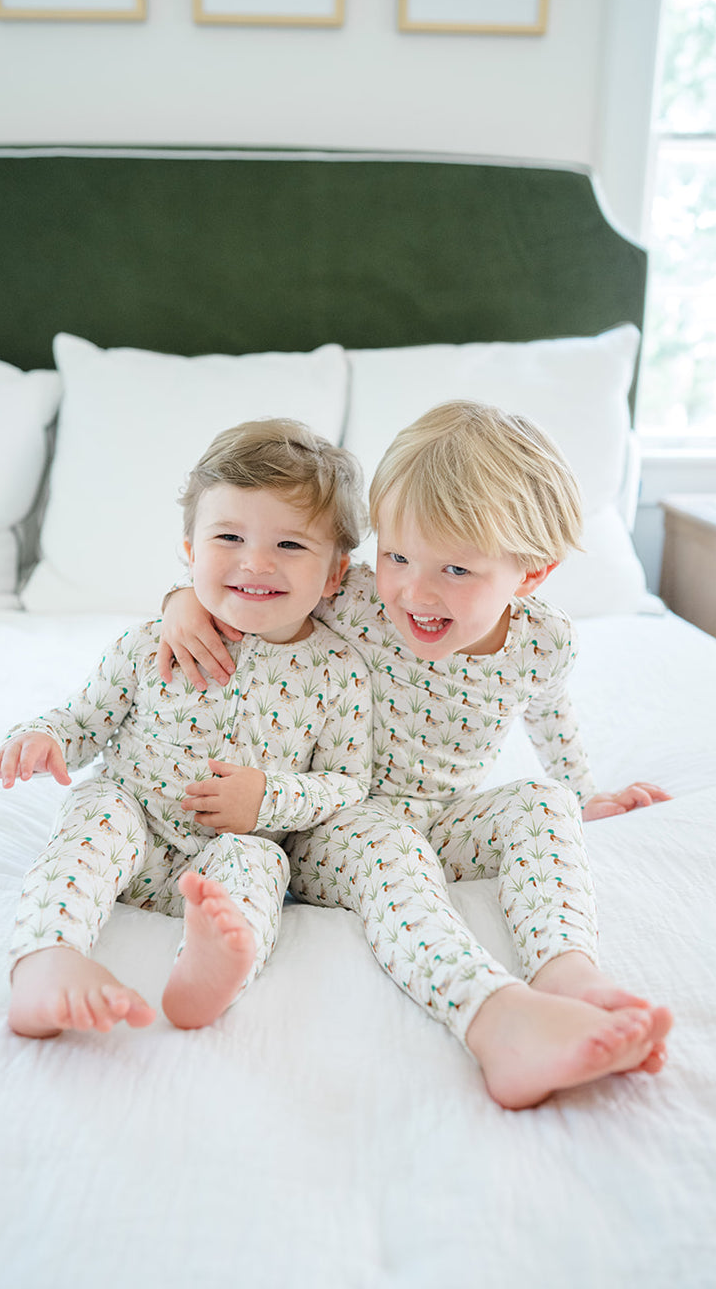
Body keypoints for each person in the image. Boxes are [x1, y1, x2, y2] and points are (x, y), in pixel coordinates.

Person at [157, 401, 673, 1110]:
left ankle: (568, 976)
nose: (415, 591)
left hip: (446, 815)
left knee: (540, 804)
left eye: (457, 569)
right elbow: (253, 592)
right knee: (389, 852)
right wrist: (180, 600)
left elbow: (551, 717)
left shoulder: (543, 641)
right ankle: (495, 1020)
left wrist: (583, 794)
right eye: (396, 556)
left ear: (531, 575)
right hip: (337, 819)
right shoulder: (355, 600)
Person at [0, 418, 371, 1040]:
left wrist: (269, 799)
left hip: (228, 847)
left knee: (260, 863)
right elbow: (84, 719)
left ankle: (209, 974)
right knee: (96, 812)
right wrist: (42, 736)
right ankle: (46, 960)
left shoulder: (340, 672)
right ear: (189, 551)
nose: (255, 562)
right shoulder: (147, 643)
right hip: (135, 817)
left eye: (291, 546)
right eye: (229, 537)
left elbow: (348, 781)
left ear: (334, 574)